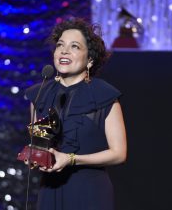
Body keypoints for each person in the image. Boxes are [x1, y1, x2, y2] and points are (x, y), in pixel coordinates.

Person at [25, 17, 127, 210]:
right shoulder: (39, 95)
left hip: (90, 192)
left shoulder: (104, 96)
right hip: (50, 190)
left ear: (89, 60)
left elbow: (119, 154)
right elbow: (39, 143)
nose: (64, 50)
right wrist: (36, 157)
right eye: (60, 45)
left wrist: (72, 159)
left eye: (75, 46)